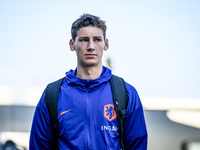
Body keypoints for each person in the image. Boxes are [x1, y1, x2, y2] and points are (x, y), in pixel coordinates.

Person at [29, 13, 148, 150]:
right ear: (72, 44)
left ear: (106, 44)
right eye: (84, 40)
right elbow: (39, 146)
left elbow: (137, 146)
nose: (91, 46)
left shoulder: (126, 93)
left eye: (97, 39)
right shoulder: (52, 95)